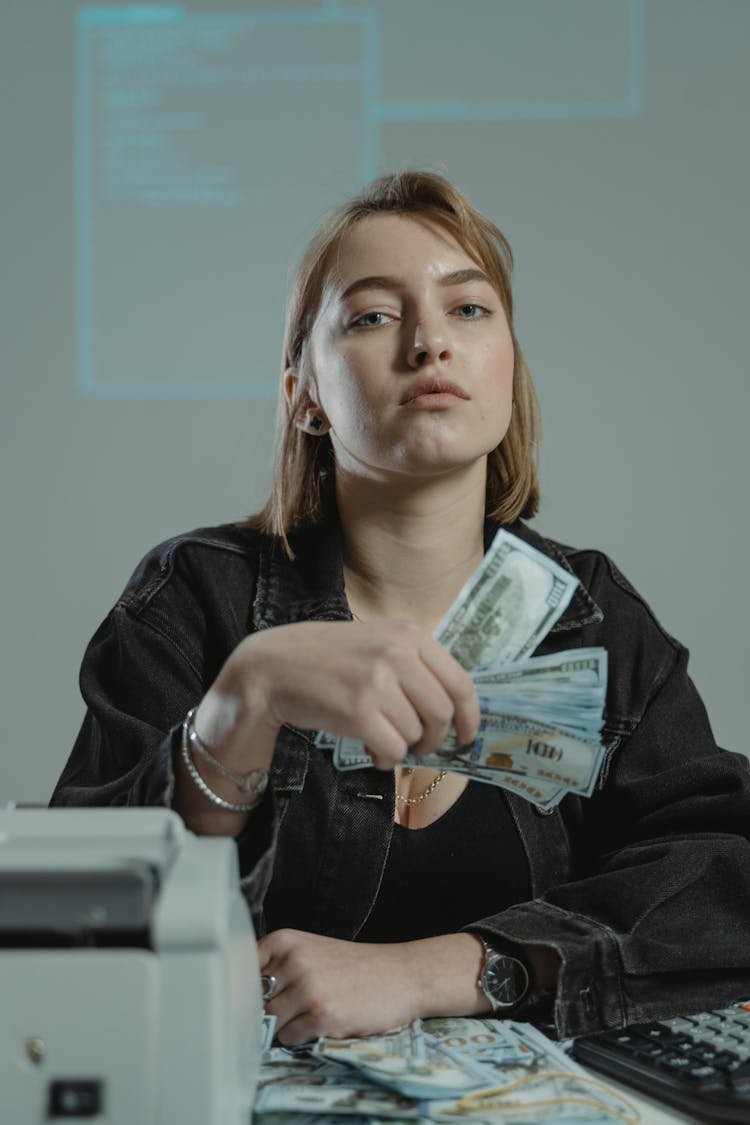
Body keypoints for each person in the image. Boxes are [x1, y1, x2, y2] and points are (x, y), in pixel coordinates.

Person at [51, 170, 750, 1046]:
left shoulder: (594, 617)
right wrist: (238, 707)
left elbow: (726, 873)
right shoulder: (191, 598)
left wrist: (435, 970)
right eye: (373, 315)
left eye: (468, 309)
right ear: (305, 392)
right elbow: (71, 923)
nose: (430, 343)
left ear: (508, 366)